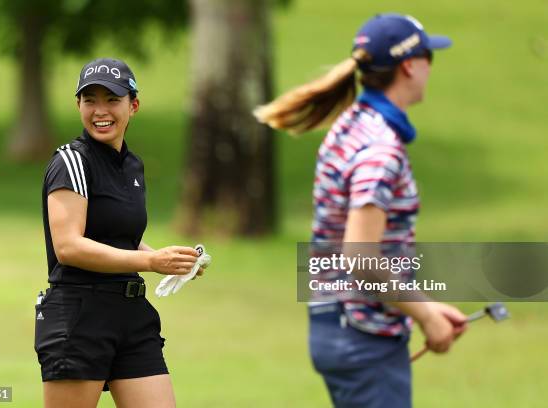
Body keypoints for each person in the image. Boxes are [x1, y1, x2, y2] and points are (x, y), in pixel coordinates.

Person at [255, 14, 467, 408]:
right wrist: (426, 316)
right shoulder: (380, 150)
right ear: (409, 65)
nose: (429, 68)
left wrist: (425, 304)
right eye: (428, 58)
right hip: (362, 335)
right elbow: (360, 256)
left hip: (336, 324)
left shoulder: (350, 124)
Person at [36, 57, 204, 408]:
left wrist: (173, 259)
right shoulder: (71, 160)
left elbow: (118, 236)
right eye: (90, 100)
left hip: (131, 315)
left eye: (112, 100)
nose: (101, 110)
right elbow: (68, 246)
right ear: (78, 105)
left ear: (133, 105)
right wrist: (150, 260)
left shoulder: (132, 165)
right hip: (81, 317)